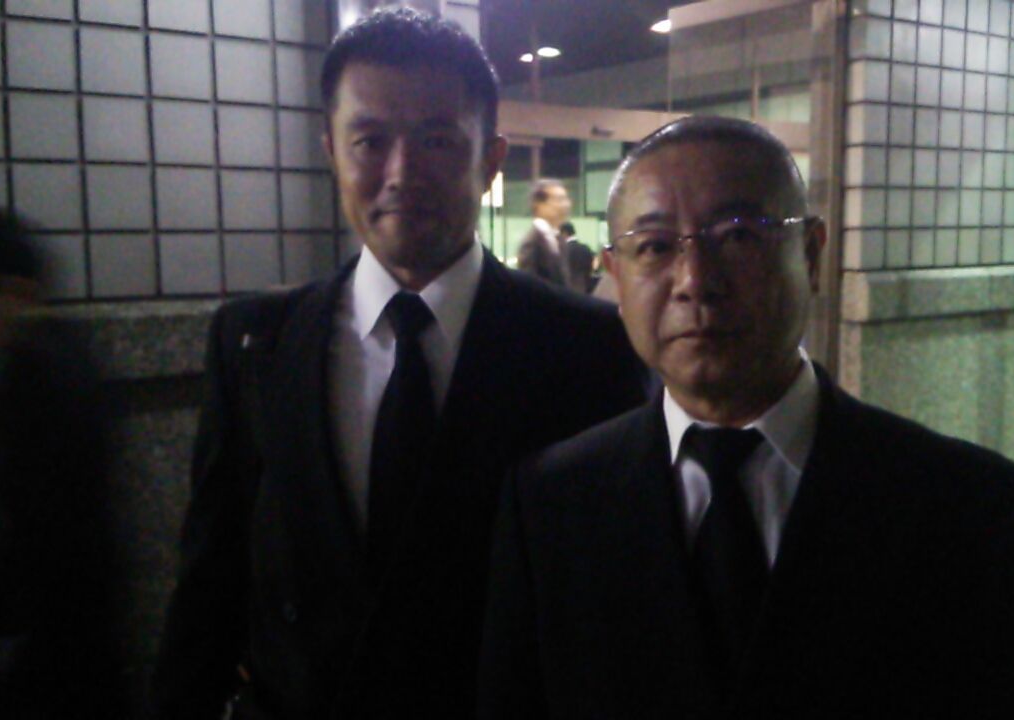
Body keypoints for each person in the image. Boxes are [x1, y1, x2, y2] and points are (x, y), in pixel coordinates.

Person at [478, 117, 1014, 718]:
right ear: (615, 275)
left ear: (810, 254)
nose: (695, 281)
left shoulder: (975, 513)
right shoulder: (549, 503)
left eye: (737, 235)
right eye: (654, 246)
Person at [149, 9, 647, 719]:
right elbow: (210, 584)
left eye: (437, 140)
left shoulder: (587, 346)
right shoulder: (256, 343)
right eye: (370, 141)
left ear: (491, 159)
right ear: (331, 150)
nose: (401, 173)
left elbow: (611, 599)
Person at [0, 206, 126, 718]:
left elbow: (34, 526)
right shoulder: (69, 352)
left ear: (10, 289)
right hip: (81, 634)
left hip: (50, 647)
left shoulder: (34, 376)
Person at [515, 178, 572, 287]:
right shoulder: (531, 243)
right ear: (539, 205)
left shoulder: (559, 239)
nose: (566, 205)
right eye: (559, 199)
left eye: (566, 199)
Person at [558, 221, 596, 295]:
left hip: (568, 292)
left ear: (564, 233)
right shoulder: (586, 248)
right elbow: (591, 268)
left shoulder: (563, 250)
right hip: (586, 291)